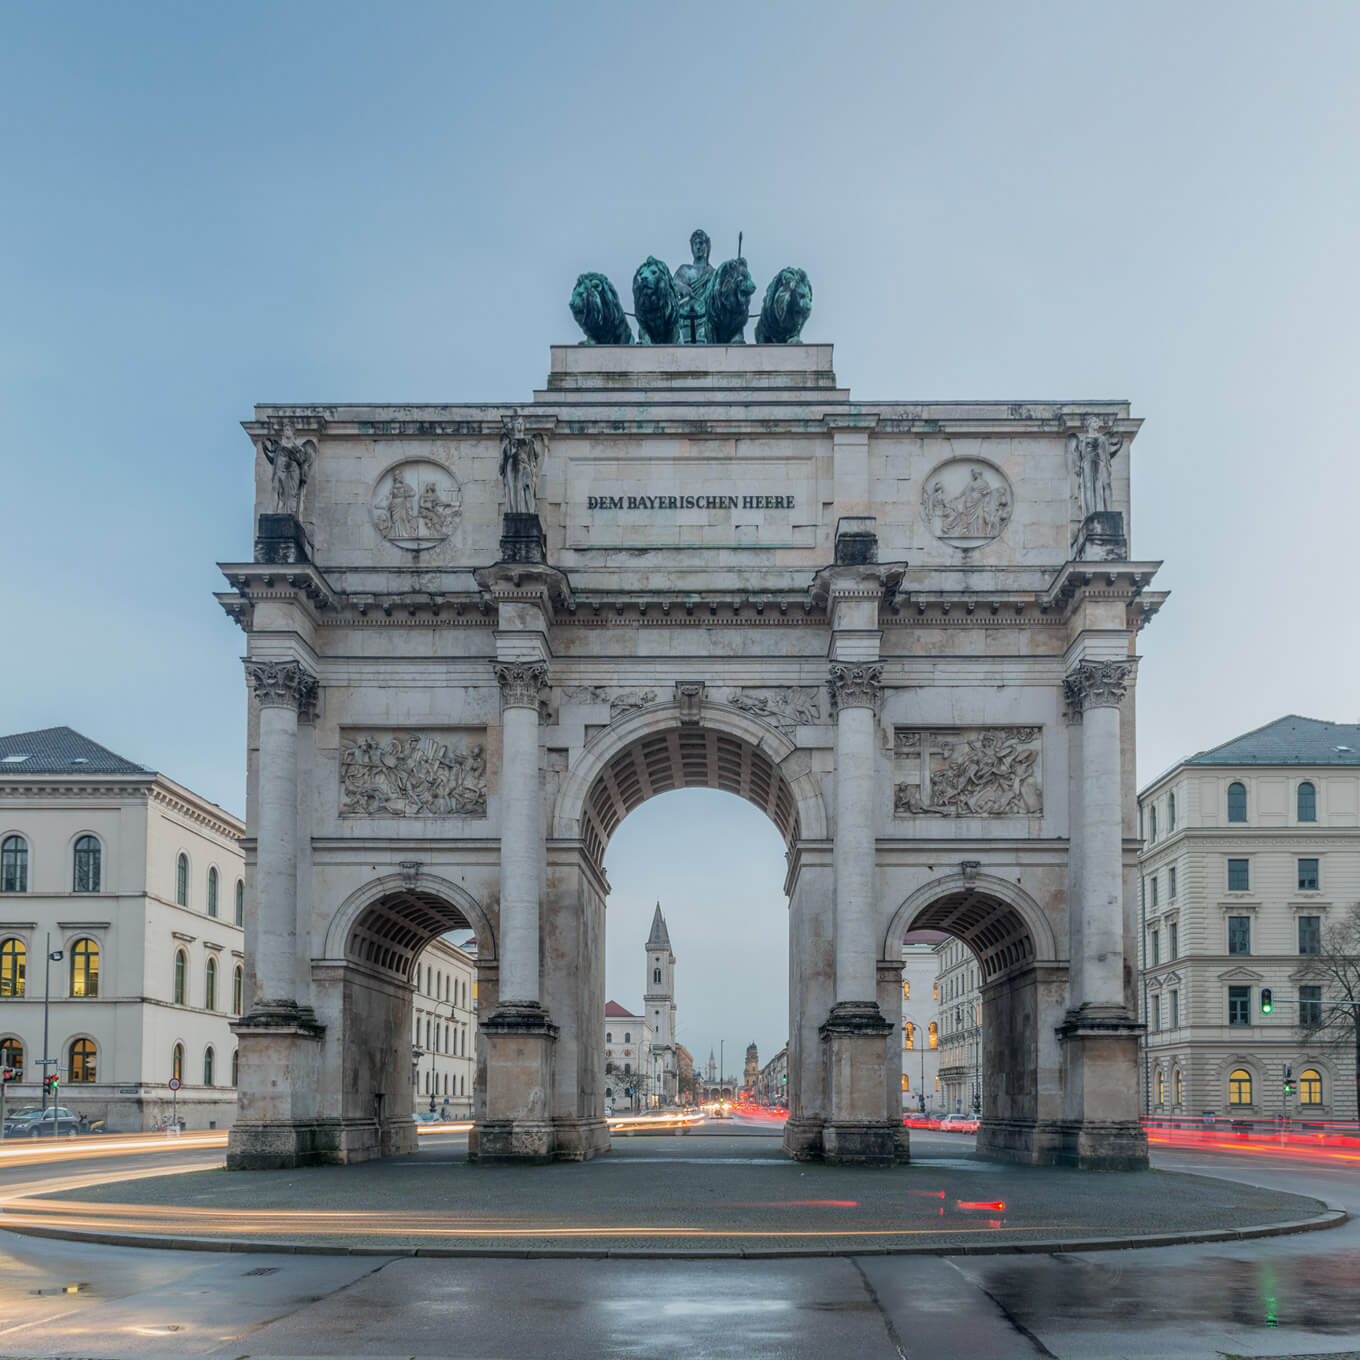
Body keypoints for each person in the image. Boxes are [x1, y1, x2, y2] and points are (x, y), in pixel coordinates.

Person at [673, 229, 715, 343]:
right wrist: (682, 287)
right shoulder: (685, 270)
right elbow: (673, 285)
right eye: (695, 244)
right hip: (686, 318)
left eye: (701, 243)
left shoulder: (714, 274)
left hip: (707, 319)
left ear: (707, 245)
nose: (698, 247)